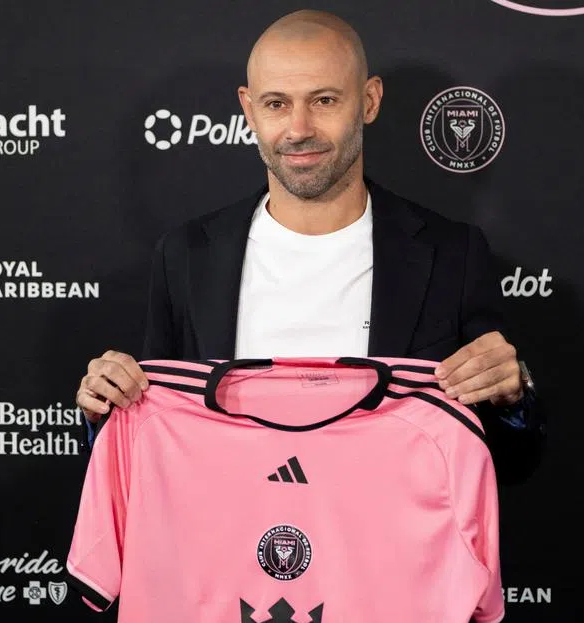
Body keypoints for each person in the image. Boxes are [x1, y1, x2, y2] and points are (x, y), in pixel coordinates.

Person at [75, 9, 545, 484]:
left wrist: (510, 396)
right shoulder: (187, 255)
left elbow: (509, 462)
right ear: (248, 108)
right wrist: (106, 414)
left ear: (369, 101)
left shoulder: (452, 255)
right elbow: (154, 451)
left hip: (386, 550)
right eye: (276, 104)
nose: (298, 129)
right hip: (226, 546)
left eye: (323, 100)